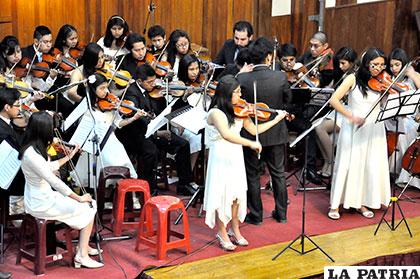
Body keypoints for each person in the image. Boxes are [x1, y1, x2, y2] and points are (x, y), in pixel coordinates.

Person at [204, 75, 287, 251]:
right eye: (236, 92)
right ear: (226, 94)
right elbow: (226, 134)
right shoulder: (215, 113)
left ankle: (235, 229)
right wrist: (250, 143)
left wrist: (276, 119)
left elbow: (254, 129)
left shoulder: (239, 110)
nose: (241, 95)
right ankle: (221, 232)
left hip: (235, 156)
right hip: (220, 157)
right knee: (222, 195)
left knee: (235, 195)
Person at [18, 111, 103, 268]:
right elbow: (53, 180)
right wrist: (79, 198)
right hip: (41, 202)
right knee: (89, 205)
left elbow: (48, 168)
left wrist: (68, 157)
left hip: (44, 196)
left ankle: (83, 246)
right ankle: (81, 255)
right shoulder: (32, 154)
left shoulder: (33, 148)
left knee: (89, 204)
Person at [328, 47, 391, 220]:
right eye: (374, 64)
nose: (378, 68)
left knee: (367, 165)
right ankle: (335, 204)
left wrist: (388, 91)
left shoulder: (381, 81)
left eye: (381, 65)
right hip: (354, 126)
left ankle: (361, 202)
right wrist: (351, 116)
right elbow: (334, 100)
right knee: (348, 164)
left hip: (374, 128)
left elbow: (384, 105)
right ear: (366, 63)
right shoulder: (352, 78)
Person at [117, 64, 199, 196]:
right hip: (136, 134)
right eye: (149, 82)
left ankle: (184, 184)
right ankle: (148, 188)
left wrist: (181, 100)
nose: (153, 84)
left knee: (183, 144)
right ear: (139, 82)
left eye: (154, 80)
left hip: (155, 130)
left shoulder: (154, 91)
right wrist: (156, 133)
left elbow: (165, 111)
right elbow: (136, 119)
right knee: (151, 151)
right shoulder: (132, 93)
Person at [237, 37, 291, 225]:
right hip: (276, 131)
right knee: (278, 173)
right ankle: (282, 213)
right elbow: (287, 102)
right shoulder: (281, 77)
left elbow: (237, 104)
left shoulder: (242, 78)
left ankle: (256, 215)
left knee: (252, 175)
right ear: (269, 57)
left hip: (252, 133)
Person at [72, 73, 142, 187]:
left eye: (106, 87)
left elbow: (118, 123)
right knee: (105, 165)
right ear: (93, 90)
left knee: (120, 165)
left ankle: (116, 193)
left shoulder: (110, 102)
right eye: (102, 88)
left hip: (111, 141)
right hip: (94, 143)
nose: (106, 91)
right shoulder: (86, 107)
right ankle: (102, 194)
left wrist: (133, 118)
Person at [315, 47, 358, 178]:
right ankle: (327, 162)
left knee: (319, 128)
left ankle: (331, 161)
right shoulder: (343, 74)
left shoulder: (355, 75)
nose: (340, 66)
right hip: (339, 109)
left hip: (348, 112)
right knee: (314, 125)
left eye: (343, 63)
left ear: (352, 62)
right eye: (339, 63)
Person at [387, 48, 420, 189]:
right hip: (392, 117)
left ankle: (403, 171)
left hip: (410, 119)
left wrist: (412, 74)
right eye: (391, 65)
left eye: (397, 65)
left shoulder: (413, 76)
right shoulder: (389, 79)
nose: (393, 68)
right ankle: (389, 171)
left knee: (404, 129)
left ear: (404, 64)